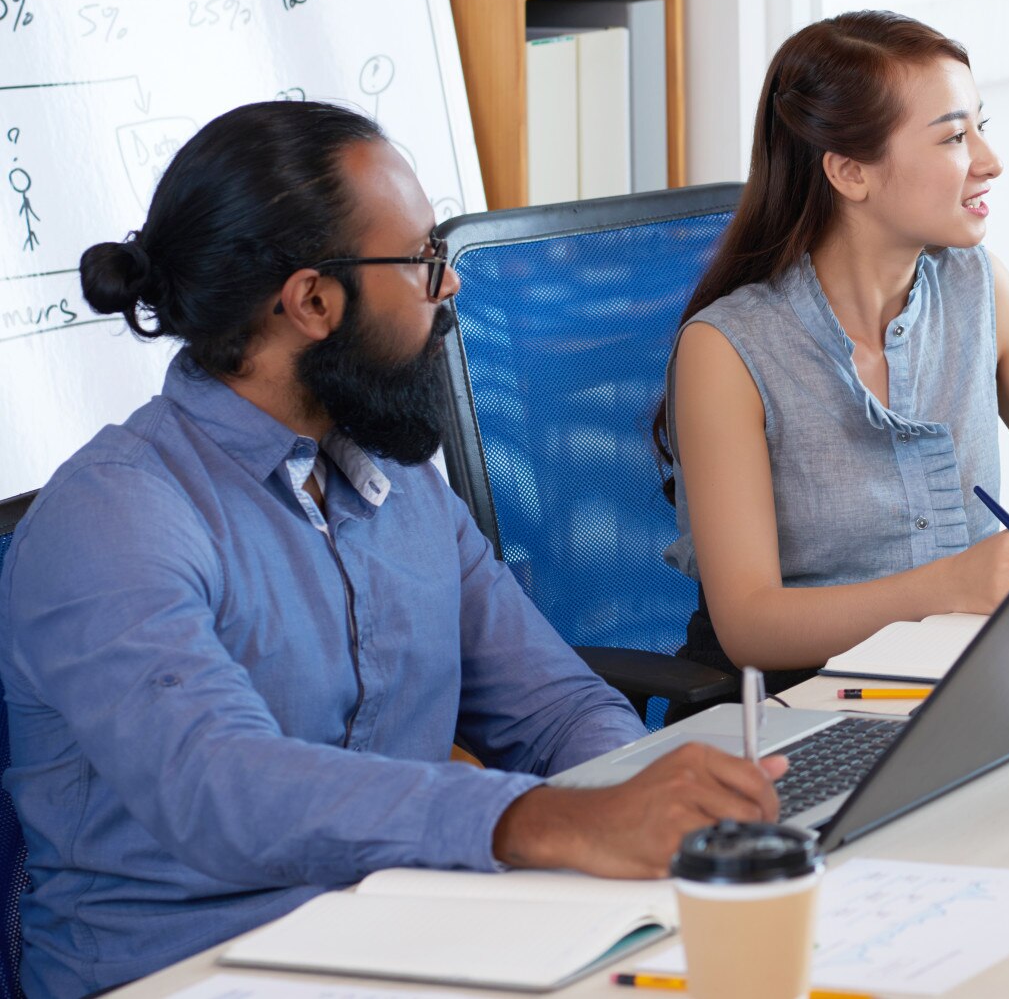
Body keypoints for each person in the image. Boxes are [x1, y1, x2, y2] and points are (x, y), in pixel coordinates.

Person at [0, 103, 784, 998]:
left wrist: (643, 800)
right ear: (312, 301)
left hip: (409, 939)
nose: (447, 287)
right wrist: (538, 822)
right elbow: (222, 787)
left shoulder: (394, 477)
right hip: (193, 973)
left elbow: (552, 706)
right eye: (421, 262)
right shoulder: (114, 518)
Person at [660, 10, 1009, 680]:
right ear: (850, 173)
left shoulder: (979, 288)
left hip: (962, 676)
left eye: (982, 127)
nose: (989, 161)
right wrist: (951, 585)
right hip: (801, 705)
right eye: (952, 138)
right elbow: (749, 624)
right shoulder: (728, 349)